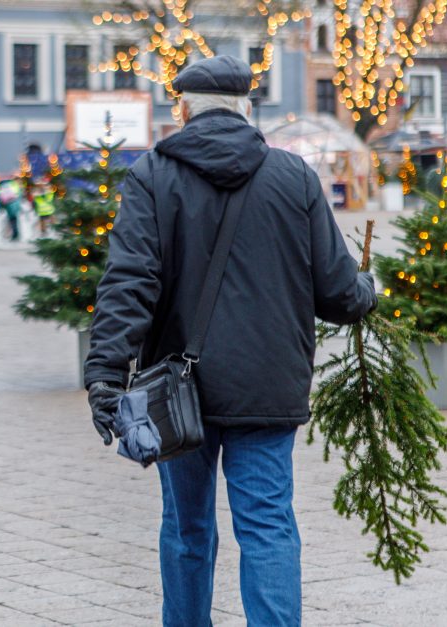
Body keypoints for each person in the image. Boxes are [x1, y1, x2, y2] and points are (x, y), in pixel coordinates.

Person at [83, 55, 376, 626]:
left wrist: (104, 374)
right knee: (267, 527)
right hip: (266, 383)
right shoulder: (295, 178)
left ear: (184, 111)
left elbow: (129, 281)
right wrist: (370, 288)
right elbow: (339, 293)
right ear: (247, 108)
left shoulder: (152, 175)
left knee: (187, 527)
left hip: (177, 390)